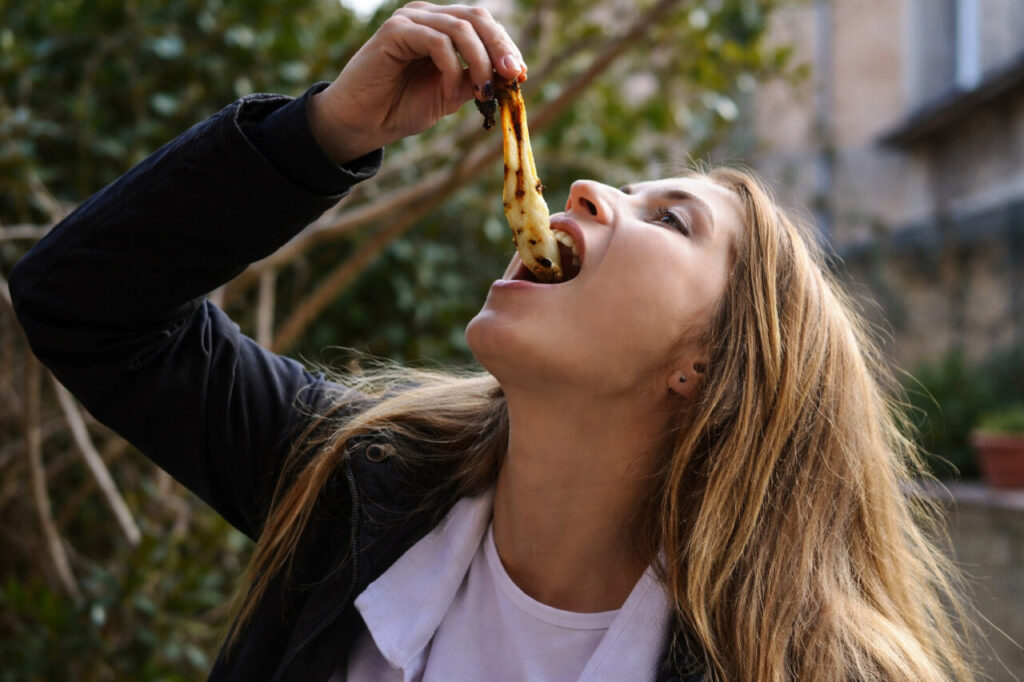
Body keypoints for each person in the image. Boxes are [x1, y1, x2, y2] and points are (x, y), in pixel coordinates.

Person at [10, 3, 977, 681]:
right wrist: (324, 133)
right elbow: (83, 302)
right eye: (627, 190)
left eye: (672, 220)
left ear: (710, 367)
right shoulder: (352, 484)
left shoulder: (808, 669)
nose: (589, 190)